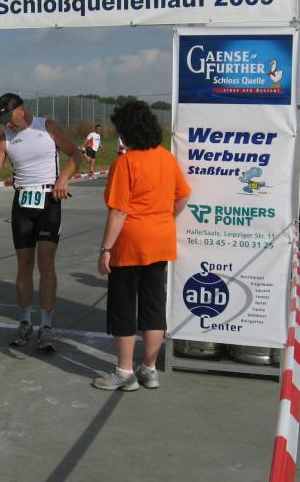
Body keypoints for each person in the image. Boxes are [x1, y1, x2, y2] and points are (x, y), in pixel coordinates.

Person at [92, 101, 190, 391]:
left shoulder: (125, 163)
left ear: (127, 132)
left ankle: (124, 372)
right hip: (161, 240)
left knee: (123, 306)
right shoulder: (166, 158)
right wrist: (164, 218)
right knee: (153, 306)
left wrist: (105, 249)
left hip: (130, 244)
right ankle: (149, 368)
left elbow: (118, 211)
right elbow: (183, 195)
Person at [0, 93, 83, 350]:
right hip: (23, 203)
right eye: (2, 120)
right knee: (23, 265)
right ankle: (25, 321)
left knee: (46, 263)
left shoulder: (47, 127)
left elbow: (75, 155)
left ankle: (46, 325)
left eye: (8, 118)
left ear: (20, 110)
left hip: (49, 201)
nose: (6, 124)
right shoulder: (5, 139)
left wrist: (64, 178)